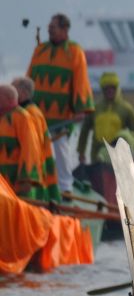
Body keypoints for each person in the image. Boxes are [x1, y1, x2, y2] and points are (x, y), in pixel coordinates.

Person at [27, 13, 94, 192]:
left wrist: (81, 108)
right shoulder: (40, 50)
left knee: (61, 149)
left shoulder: (74, 51)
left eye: (53, 28)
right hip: (38, 113)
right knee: (36, 149)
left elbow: (81, 81)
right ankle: (39, 183)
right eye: (49, 29)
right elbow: (30, 76)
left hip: (62, 115)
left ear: (65, 30)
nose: (50, 31)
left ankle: (65, 188)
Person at [77, 72, 134, 165]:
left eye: (112, 88)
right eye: (106, 89)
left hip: (119, 155)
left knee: (125, 135)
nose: (109, 91)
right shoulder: (95, 108)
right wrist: (81, 153)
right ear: (102, 90)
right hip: (97, 155)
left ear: (117, 89)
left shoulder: (126, 109)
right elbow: (84, 131)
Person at [12, 76, 60, 202]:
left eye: (13, 89)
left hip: (33, 173)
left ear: (22, 93)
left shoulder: (30, 113)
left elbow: (32, 147)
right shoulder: (31, 111)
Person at [0, 83, 45, 198]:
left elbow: (30, 149)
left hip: (14, 181)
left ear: (8, 99)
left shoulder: (22, 117)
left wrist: (27, 179)